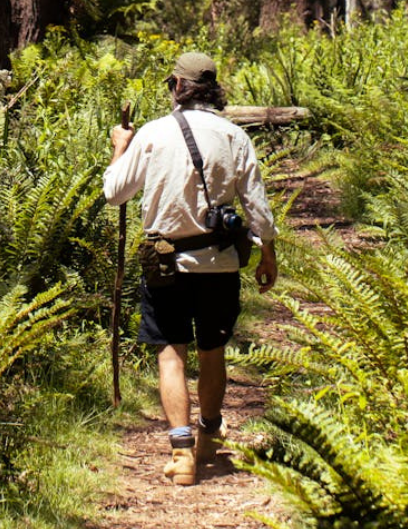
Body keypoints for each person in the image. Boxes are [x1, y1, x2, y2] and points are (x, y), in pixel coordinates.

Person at [103, 51, 279, 486]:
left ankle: (182, 455)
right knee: (212, 352)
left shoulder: (153, 133)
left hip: (165, 266)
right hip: (219, 265)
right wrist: (268, 251)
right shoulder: (234, 136)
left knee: (171, 355)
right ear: (211, 88)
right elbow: (255, 203)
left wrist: (119, 149)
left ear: (178, 87)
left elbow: (114, 193)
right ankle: (208, 436)